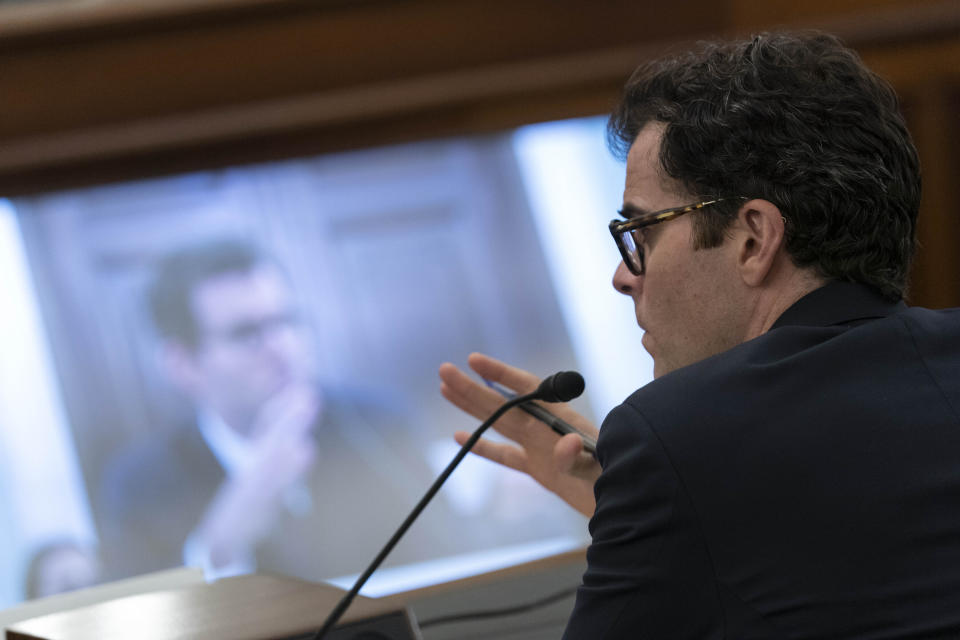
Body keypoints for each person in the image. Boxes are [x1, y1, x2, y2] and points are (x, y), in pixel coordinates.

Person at [439, 32, 960, 637]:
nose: (621, 276)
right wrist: (658, 515)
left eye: (643, 233)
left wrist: (666, 485)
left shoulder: (673, 436)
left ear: (753, 239)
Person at [101, 239, 456, 583]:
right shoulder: (141, 484)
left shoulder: (380, 424)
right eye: (246, 333)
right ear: (183, 364)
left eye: (286, 321)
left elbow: (449, 556)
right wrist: (220, 546)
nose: (282, 346)